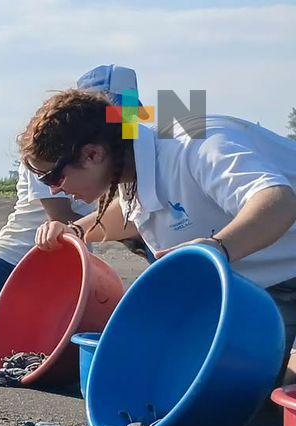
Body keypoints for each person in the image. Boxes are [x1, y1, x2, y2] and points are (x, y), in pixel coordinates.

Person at [24, 90, 296, 383]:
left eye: (52, 177)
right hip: (264, 288)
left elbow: (279, 201)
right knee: (216, 383)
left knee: (282, 396)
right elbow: (133, 213)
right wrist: (75, 230)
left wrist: (219, 247)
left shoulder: (195, 144)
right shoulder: (132, 162)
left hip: (280, 269)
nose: (53, 190)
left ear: (93, 154)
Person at [0, 65, 139, 333]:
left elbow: (191, 125)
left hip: (76, 255)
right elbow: (61, 218)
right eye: (113, 118)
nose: (122, 132)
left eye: (126, 120)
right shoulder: (46, 149)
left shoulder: (130, 150)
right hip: (20, 253)